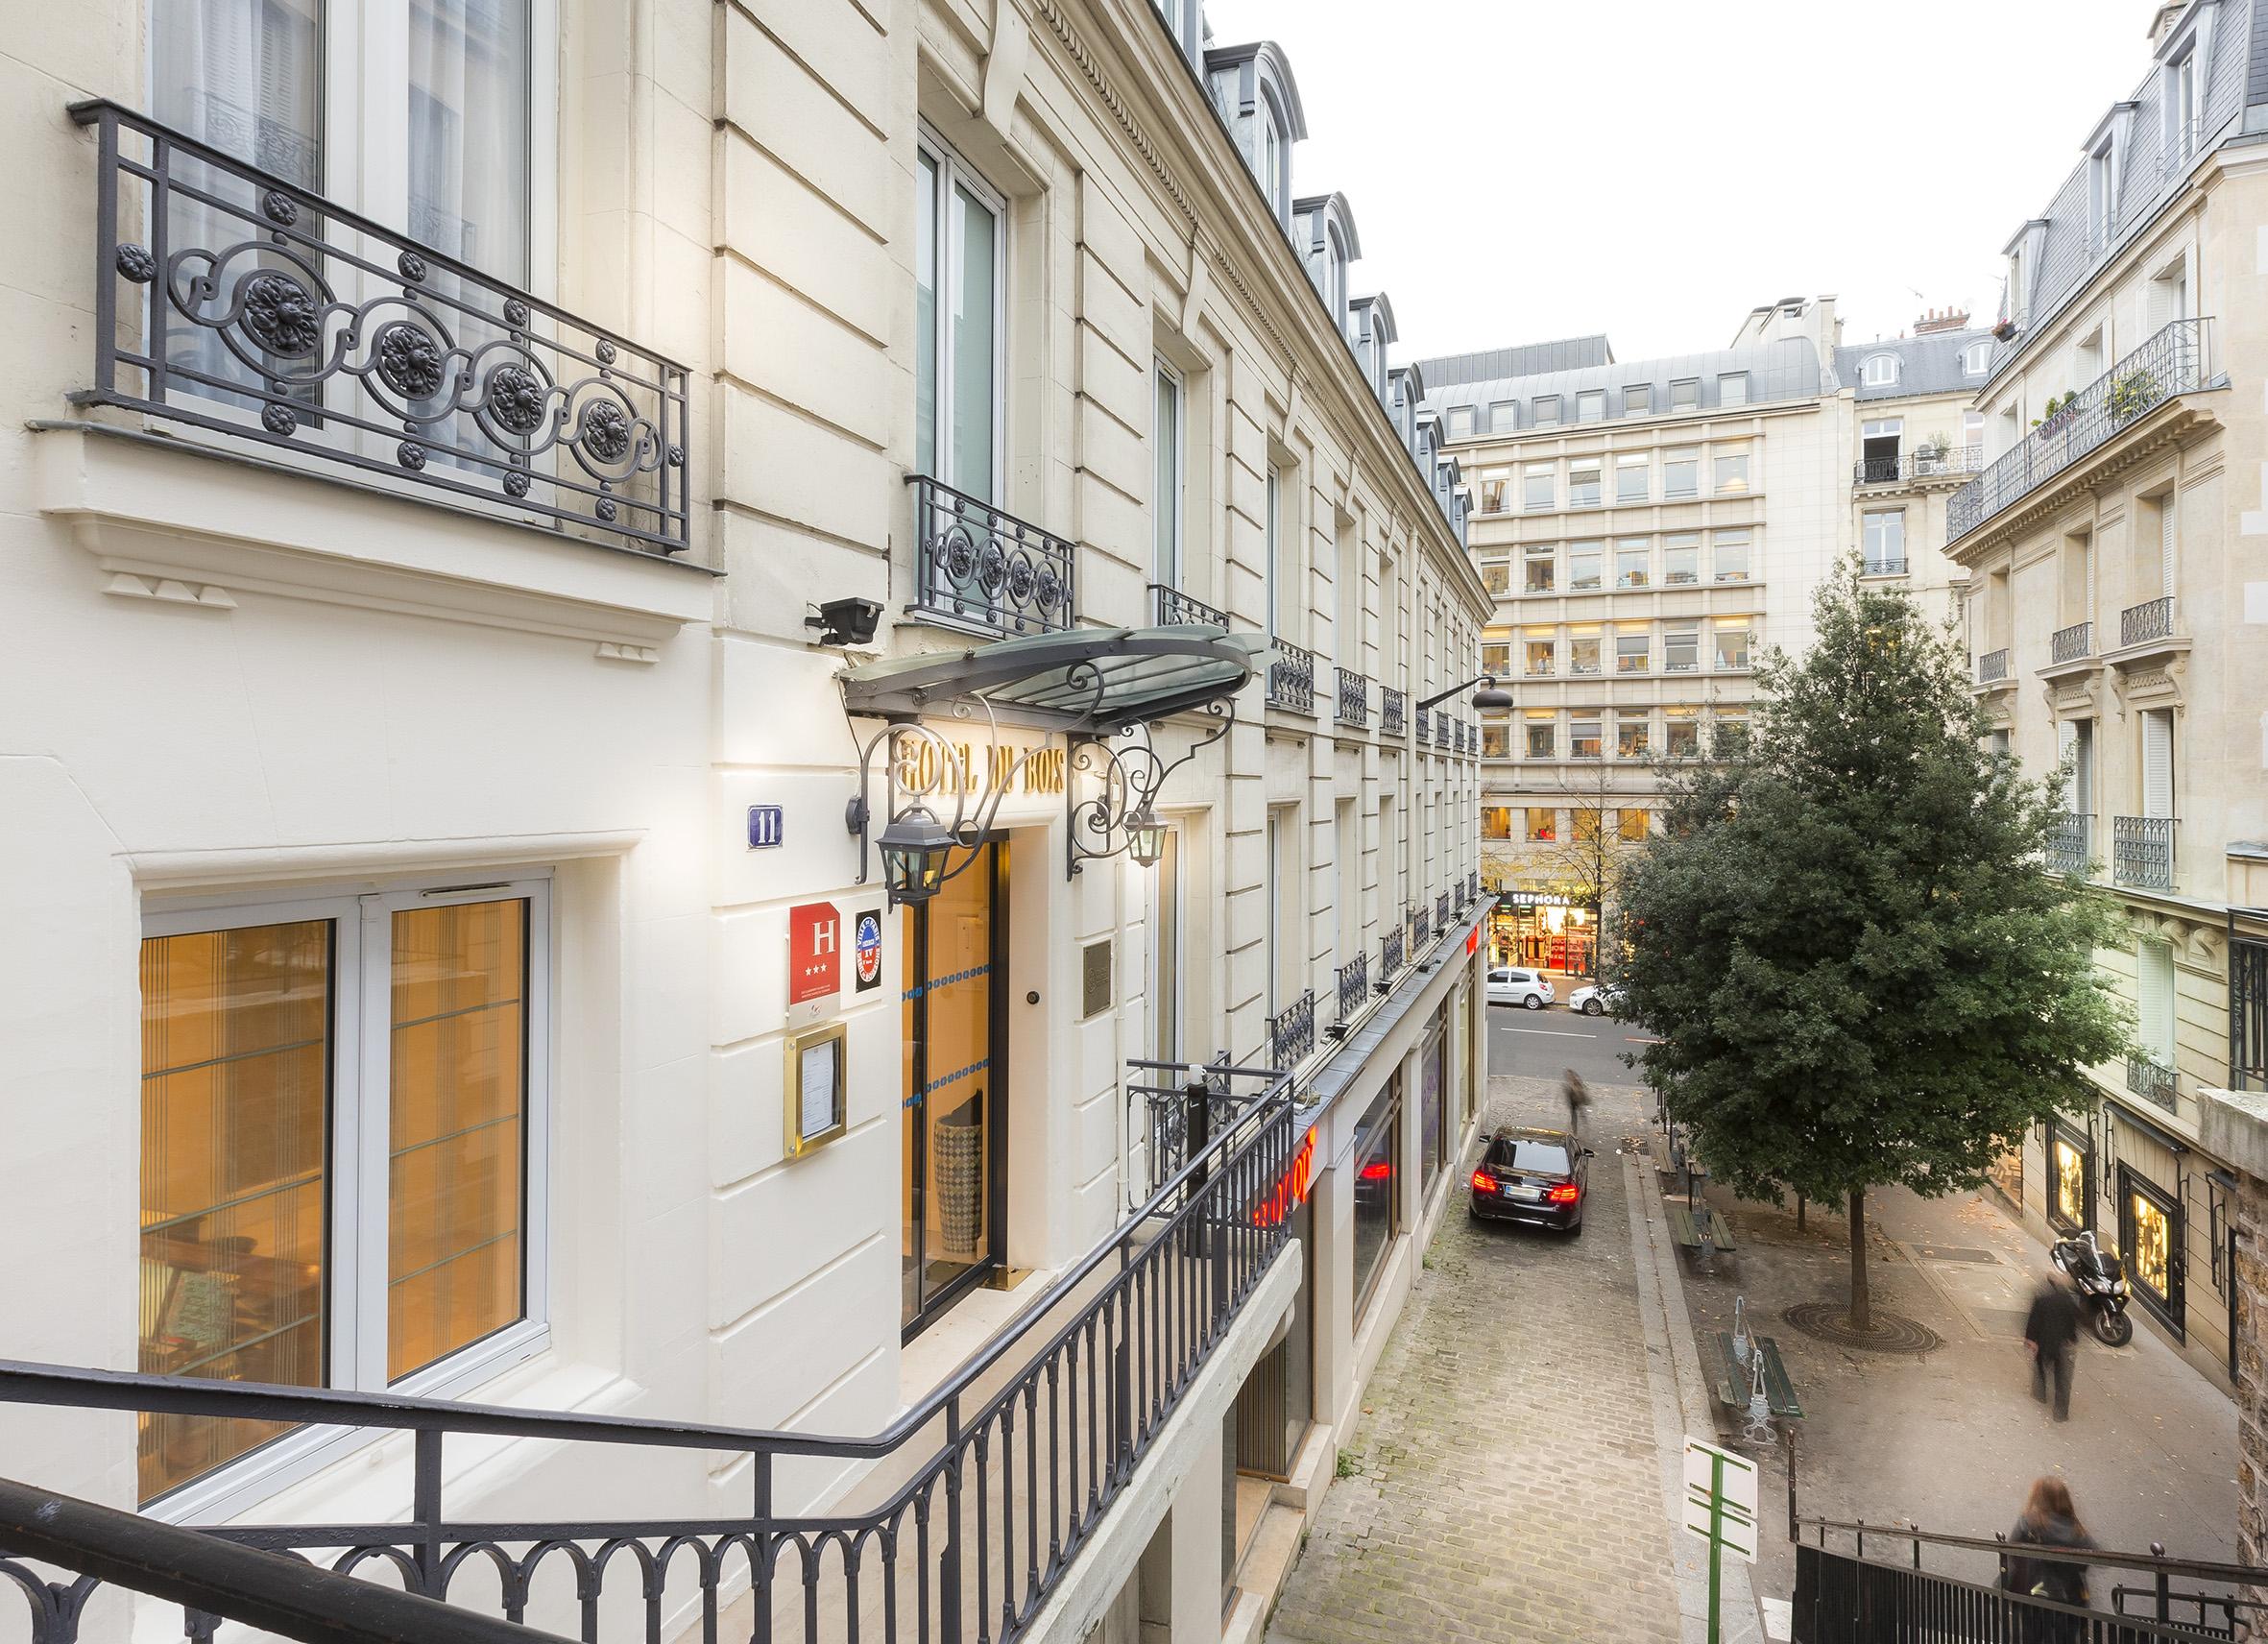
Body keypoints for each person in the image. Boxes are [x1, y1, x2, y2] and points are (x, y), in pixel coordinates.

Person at [2003, 1476, 2095, 1640]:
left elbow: (2011, 1548)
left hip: (2035, 1592)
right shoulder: (2076, 1528)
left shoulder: (2029, 1522)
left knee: (2032, 1636)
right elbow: (2092, 1557)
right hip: (2070, 1595)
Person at [2023, 1276, 2083, 1420]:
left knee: (2040, 1368)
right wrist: (2072, 1339)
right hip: (2063, 1343)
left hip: (2044, 1341)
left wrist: (2031, 1339)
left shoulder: (2042, 1300)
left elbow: (2034, 1320)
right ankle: (2061, 1413)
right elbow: (2076, 1321)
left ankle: (2039, 1394)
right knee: (2063, 1379)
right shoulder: (2069, 1301)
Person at [1561, 1068, 1591, 1138]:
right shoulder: (1570, 1084)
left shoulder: (1575, 1081)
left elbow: (1582, 1088)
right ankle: (1575, 1132)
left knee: (1580, 1114)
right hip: (1573, 1102)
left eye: (1569, 1075)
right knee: (1575, 1116)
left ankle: (1581, 1129)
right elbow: (1569, 1093)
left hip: (1577, 1100)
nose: (1568, 1077)